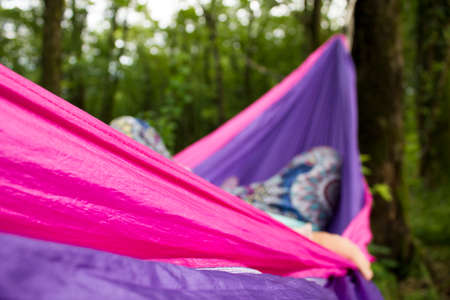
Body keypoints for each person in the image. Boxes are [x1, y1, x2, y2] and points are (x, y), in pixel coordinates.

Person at [110, 116, 373, 280]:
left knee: (128, 127)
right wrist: (323, 241)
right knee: (326, 161)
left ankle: (204, 187)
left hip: (211, 196)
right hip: (244, 214)